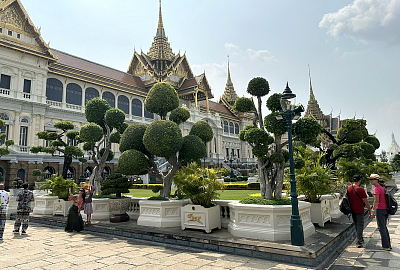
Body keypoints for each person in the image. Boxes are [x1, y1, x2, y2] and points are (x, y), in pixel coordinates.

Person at [347, 175, 373, 248]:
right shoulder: (360, 189)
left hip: (352, 209)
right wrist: (369, 210)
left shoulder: (349, 188)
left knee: (356, 224)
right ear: (359, 181)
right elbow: (366, 201)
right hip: (359, 209)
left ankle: (359, 238)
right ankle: (359, 241)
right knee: (360, 225)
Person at [369, 173, 391, 251]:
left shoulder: (377, 189)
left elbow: (376, 200)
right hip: (385, 209)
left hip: (380, 209)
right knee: (384, 226)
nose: (370, 181)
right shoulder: (382, 187)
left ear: (376, 180)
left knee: (381, 227)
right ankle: (388, 244)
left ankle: (386, 246)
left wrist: (372, 210)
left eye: (372, 179)